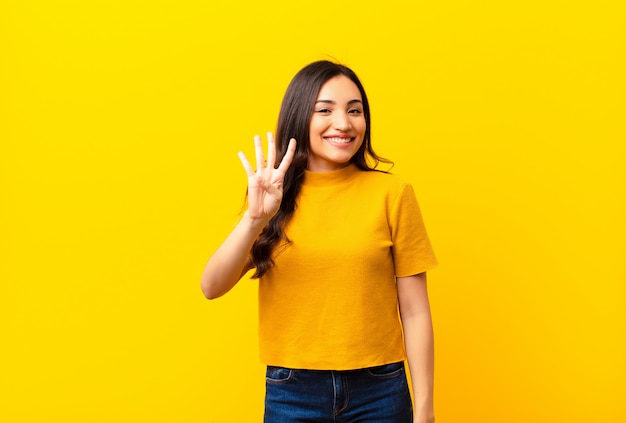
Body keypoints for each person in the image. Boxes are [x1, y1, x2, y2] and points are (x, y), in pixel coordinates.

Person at [201, 60, 438, 423]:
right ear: (299, 117)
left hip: (380, 389)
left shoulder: (392, 194)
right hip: (292, 389)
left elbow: (416, 310)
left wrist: (424, 411)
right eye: (324, 110)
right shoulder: (273, 198)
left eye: (354, 111)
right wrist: (254, 219)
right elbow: (211, 286)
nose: (343, 123)